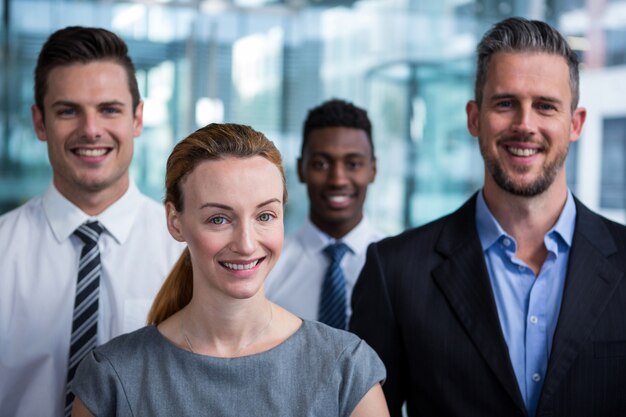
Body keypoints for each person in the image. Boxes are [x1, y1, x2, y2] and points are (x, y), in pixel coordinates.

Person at [350, 17, 626, 417]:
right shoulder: (395, 272)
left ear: (575, 124)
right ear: (474, 118)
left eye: (545, 106)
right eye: (505, 103)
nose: (524, 125)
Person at [69, 123, 389, 417]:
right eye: (219, 219)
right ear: (175, 222)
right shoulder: (111, 377)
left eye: (265, 216)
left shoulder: (347, 369)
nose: (247, 244)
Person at [0, 27, 183, 417]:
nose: (91, 130)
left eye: (109, 109)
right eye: (68, 111)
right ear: (39, 122)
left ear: (137, 119)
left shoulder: (186, 252)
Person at [265, 99, 382, 329]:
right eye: (321, 164)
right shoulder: (269, 268)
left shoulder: (398, 267)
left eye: (354, 164)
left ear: (373, 170)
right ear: (301, 169)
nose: (338, 179)